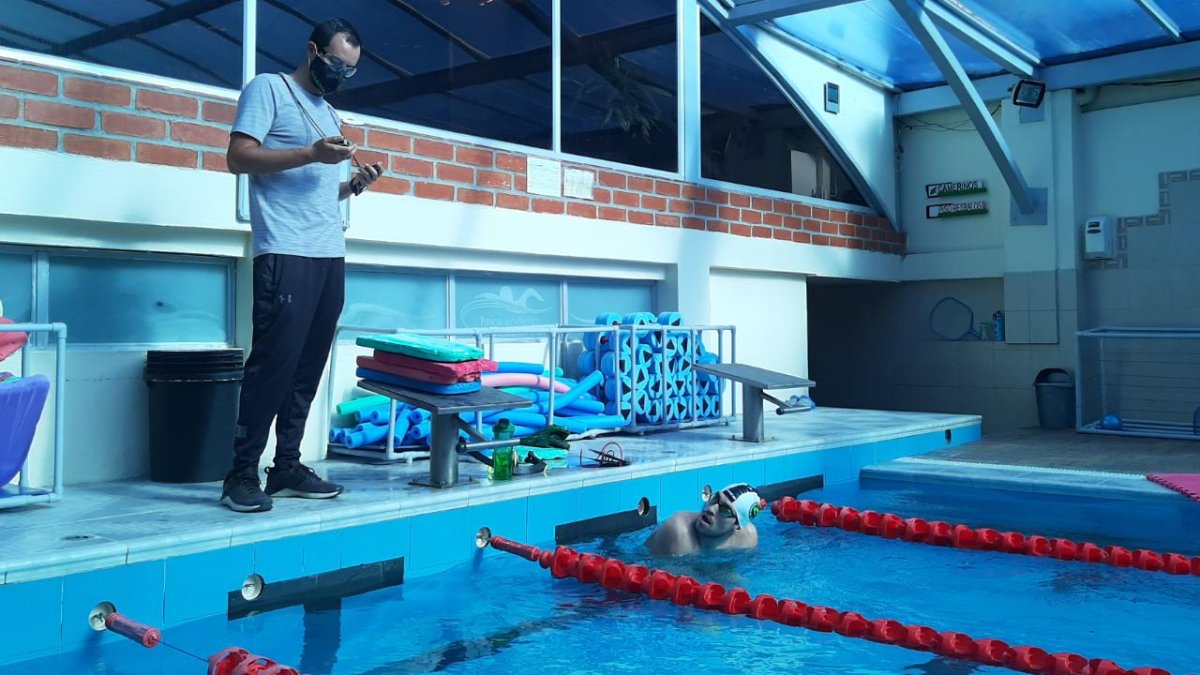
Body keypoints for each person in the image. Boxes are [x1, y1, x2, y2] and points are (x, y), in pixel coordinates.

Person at [220, 17, 383, 513]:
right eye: (336, 62)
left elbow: (313, 188)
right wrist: (310, 152)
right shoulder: (269, 89)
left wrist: (351, 186)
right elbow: (238, 157)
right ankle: (241, 474)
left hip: (328, 252)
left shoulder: (329, 114)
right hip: (285, 250)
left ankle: (285, 466)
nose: (341, 73)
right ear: (313, 50)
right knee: (273, 365)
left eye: (350, 69)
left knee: (308, 366)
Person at [644, 483, 764, 555]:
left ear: (737, 526)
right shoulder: (679, 531)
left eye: (724, 510)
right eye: (715, 499)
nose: (711, 509)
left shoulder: (748, 537)